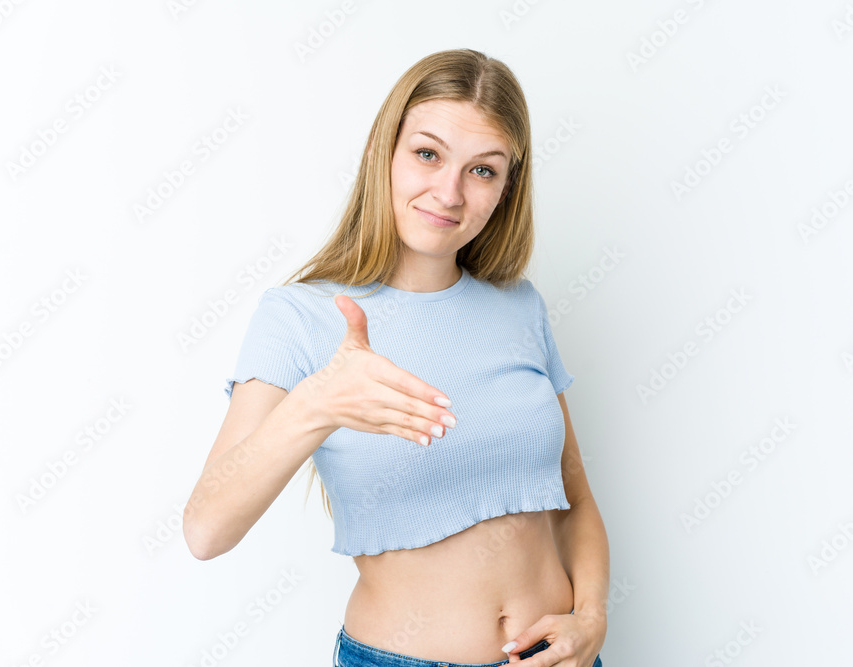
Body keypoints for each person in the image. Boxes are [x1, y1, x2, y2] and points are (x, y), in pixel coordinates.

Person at [183, 48, 609, 667]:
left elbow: (575, 500)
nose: (450, 192)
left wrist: (591, 619)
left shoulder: (520, 307)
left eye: (483, 170)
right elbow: (205, 530)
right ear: (385, 151)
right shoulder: (298, 316)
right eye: (428, 154)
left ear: (506, 190)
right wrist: (317, 404)